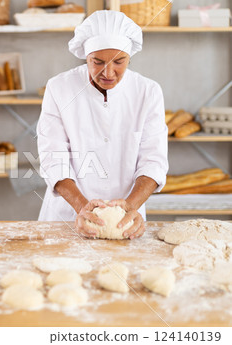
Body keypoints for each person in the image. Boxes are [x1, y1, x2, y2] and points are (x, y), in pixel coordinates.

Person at [37, 10, 168, 239]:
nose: (108, 72)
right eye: (97, 62)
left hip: (126, 220)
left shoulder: (148, 92)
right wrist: (81, 206)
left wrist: (130, 205)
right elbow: (53, 158)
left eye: (119, 61)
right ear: (86, 56)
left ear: (130, 56)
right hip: (66, 218)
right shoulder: (59, 88)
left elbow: (153, 160)